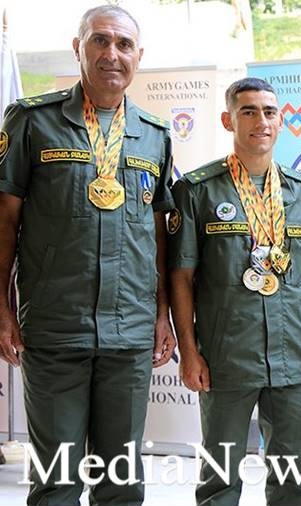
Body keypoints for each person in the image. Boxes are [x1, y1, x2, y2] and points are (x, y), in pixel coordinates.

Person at [0, 5, 175, 504]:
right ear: (77, 47)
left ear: (139, 56)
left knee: (121, 482)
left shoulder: (155, 134)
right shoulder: (32, 121)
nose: (111, 54)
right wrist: (2, 310)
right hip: (57, 327)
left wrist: (161, 313)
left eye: (124, 44)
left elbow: (159, 235)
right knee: (57, 481)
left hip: (129, 333)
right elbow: (4, 222)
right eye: (100, 40)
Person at [168, 77, 301, 506]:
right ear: (228, 120)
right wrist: (189, 351)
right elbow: (181, 277)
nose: (261, 121)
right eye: (249, 111)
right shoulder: (198, 190)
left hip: (290, 354)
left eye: (269, 112)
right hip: (226, 356)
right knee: (219, 478)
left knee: (290, 477)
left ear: (281, 121)